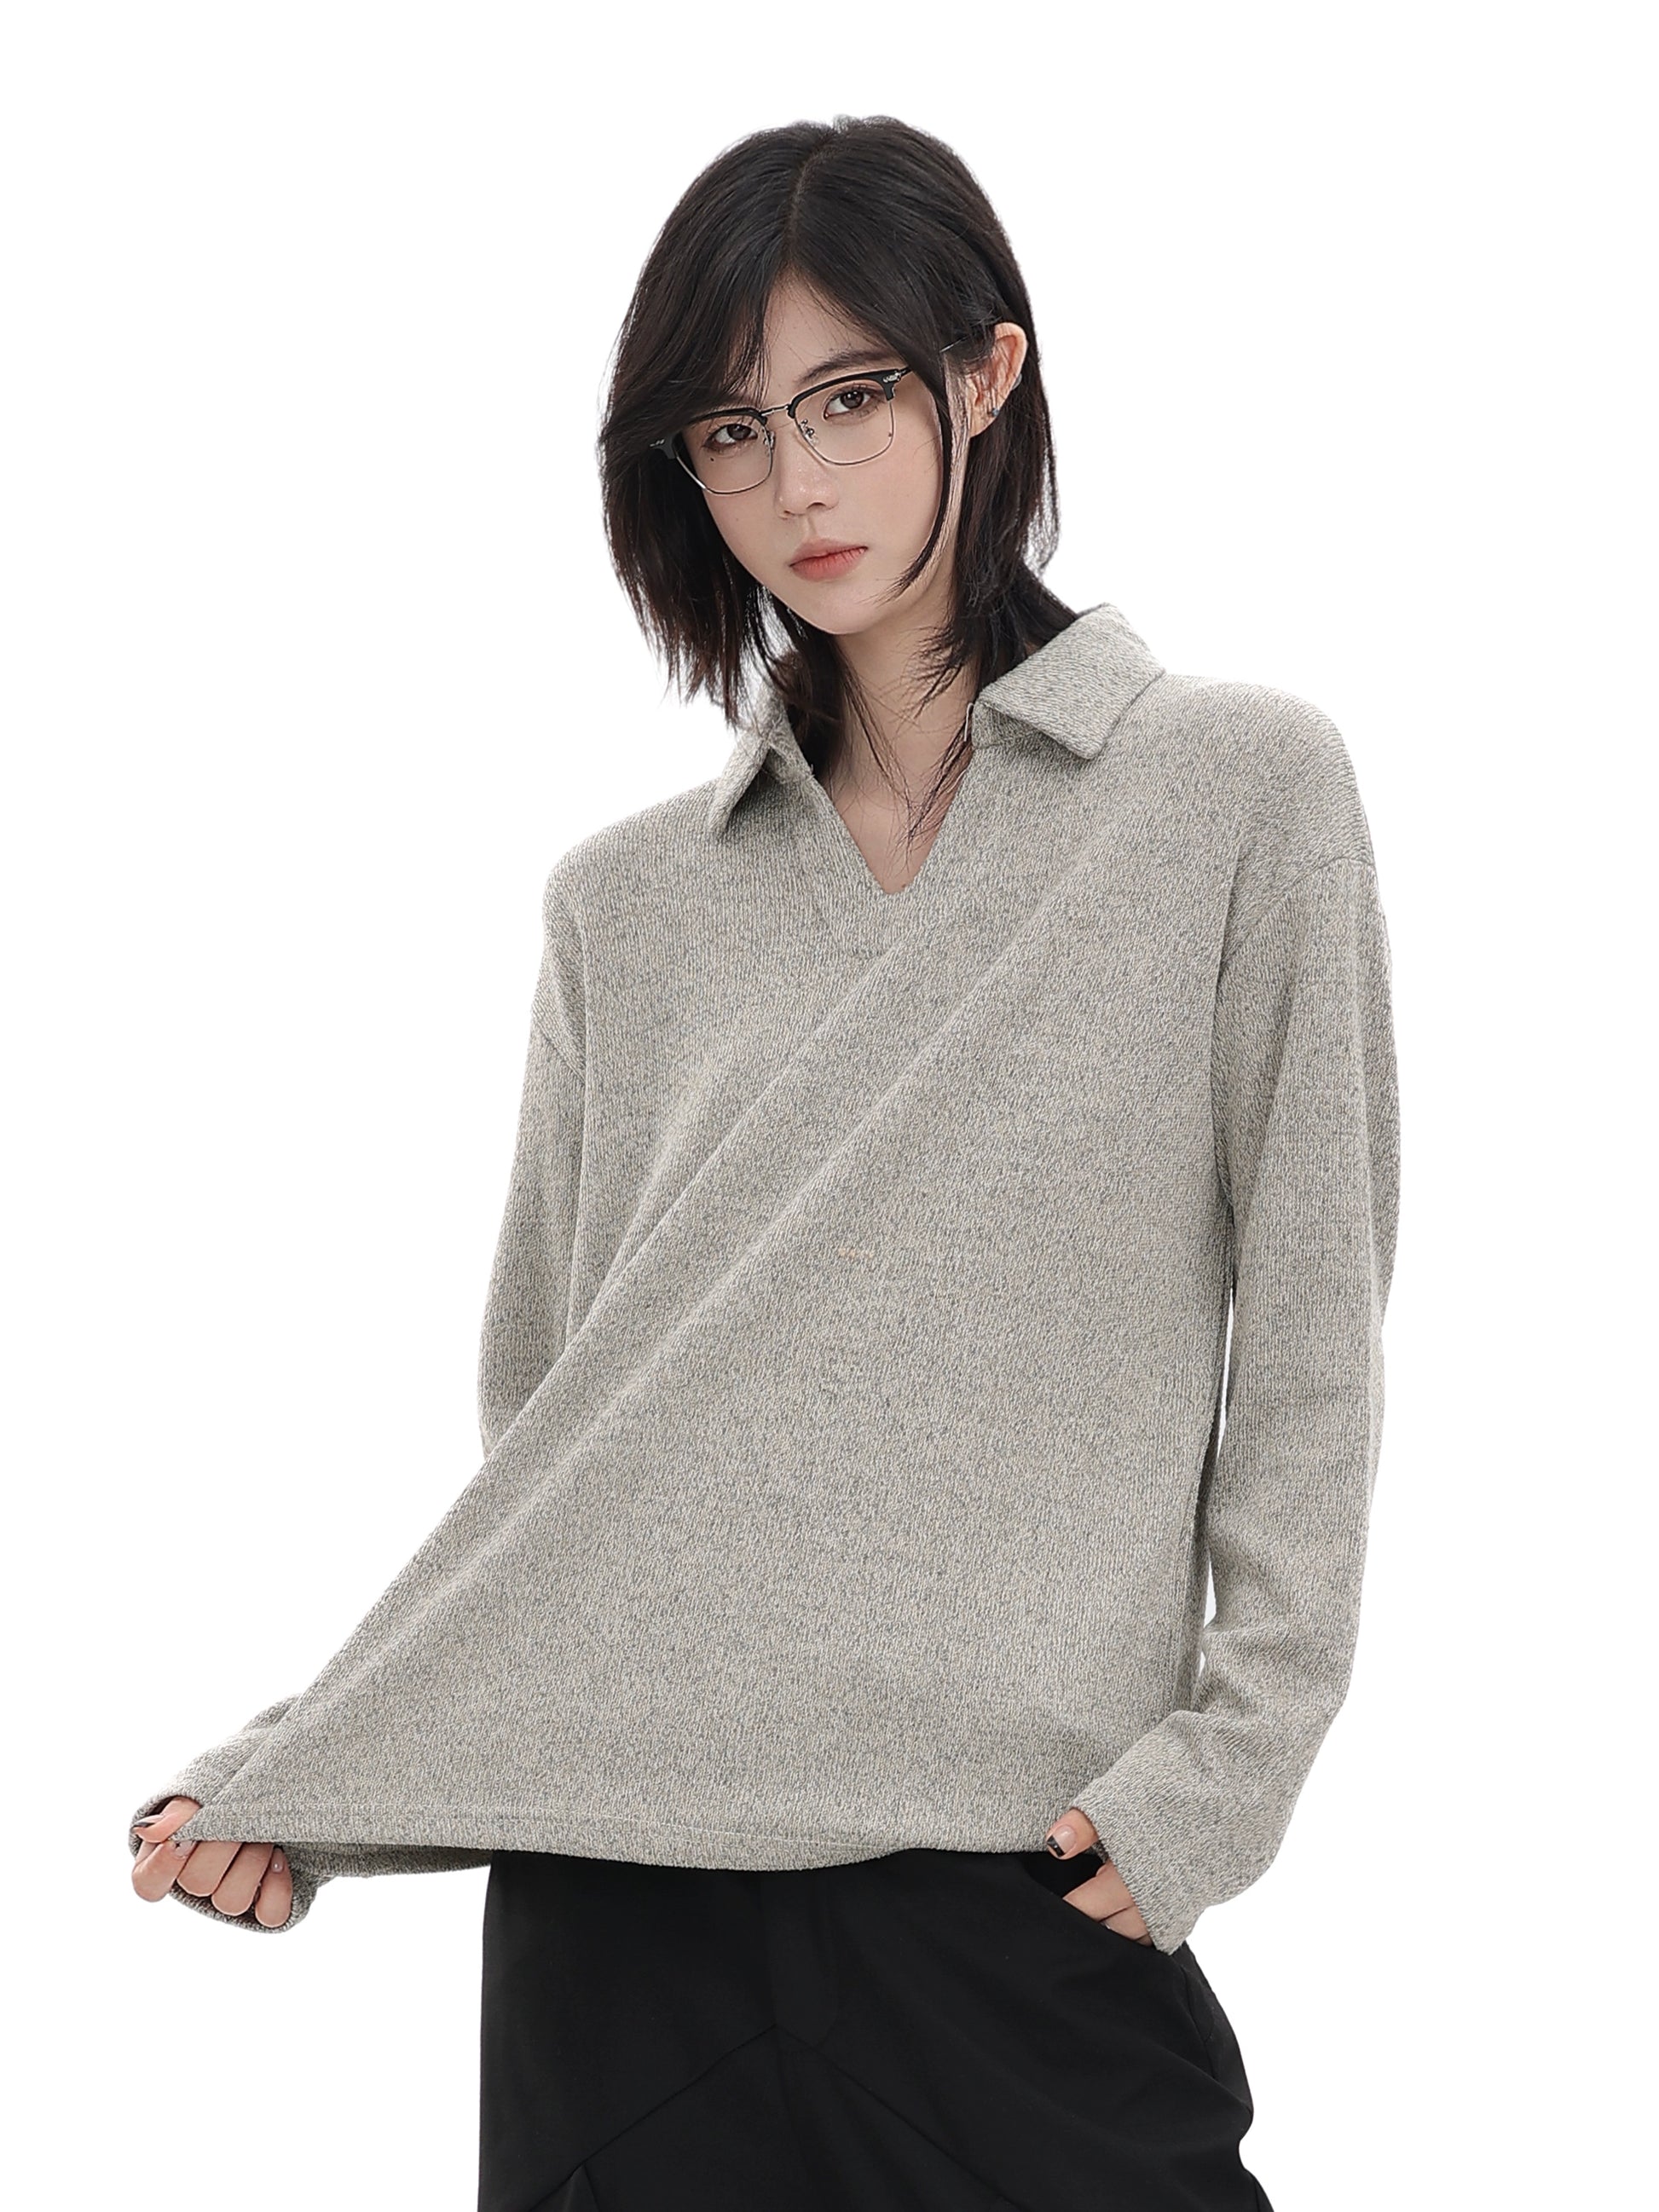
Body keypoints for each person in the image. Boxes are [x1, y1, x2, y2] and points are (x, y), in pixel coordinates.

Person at [128, 115, 1399, 2211]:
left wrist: (1229, 1770)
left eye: (849, 399)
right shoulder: (624, 906)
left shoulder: (1233, 792)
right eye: (730, 430)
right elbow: (564, 1458)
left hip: (1019, 1895)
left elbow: (1317, 1340)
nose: (796, 485)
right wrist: (315, 1768)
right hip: (617, 1929)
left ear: (985, 374)